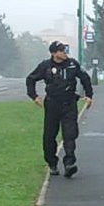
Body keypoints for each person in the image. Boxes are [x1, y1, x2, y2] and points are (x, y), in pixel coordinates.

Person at [26, 41, 93, 178]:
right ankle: (52, 163)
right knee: (50, 136)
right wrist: (34, 96)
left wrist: (89, 95)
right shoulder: (45, 66)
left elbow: (85, 78)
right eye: (61, 50)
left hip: (69, 103)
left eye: (64, 49)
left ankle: (69, 163)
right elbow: (30, 79)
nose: (64, 52)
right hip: (52, 104)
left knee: (70, 134)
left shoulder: (72, 64)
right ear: (54, 53)